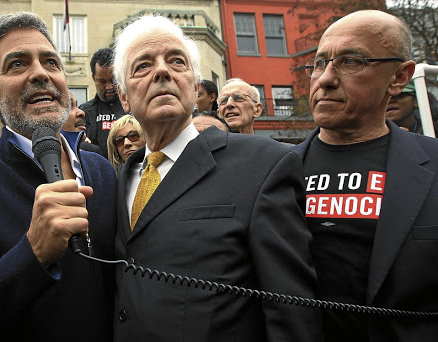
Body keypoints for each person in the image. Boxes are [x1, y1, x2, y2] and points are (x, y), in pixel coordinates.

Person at [113, 14, 321, 341]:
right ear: (124, 97)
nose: (162, 71)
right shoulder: (122, 177)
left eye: (176, 61)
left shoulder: (265, 164)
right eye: (143, 66)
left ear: (195, 87)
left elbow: (292, 312)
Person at [0, 12, 116, 341]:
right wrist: (33, 254)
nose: (40, 73)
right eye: (17, 64)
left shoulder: (102, 172)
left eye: (50, 62)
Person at [293, 10, 438, 342]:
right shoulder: (270, 171)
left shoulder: (433, 166)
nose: (325, 78)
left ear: (400, 77)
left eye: (351, 61)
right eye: (319, 63)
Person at [79, 47, 125, 158]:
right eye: (102, 81)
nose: (109, 87)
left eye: (113, 80)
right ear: (94, 78)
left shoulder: (132, 107)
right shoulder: (83, 113)